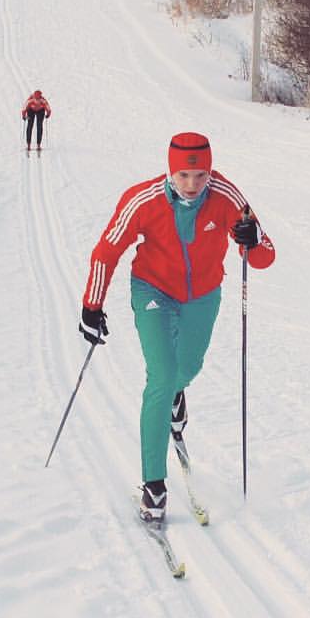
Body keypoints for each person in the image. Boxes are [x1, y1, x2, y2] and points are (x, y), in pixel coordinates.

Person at [79, 132, 275, 524]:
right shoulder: (143, 199)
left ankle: (177, 394)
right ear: (170, 171)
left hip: (202, 294)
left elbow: (265, 256)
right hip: (152, 289)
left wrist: (251, 241)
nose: (192, 185)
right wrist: (91, 306)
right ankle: (154, 485)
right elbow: (106, 251)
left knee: (187, 369)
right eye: (183, 176)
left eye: (200, 176)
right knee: (162, 375)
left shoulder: (227, 197)